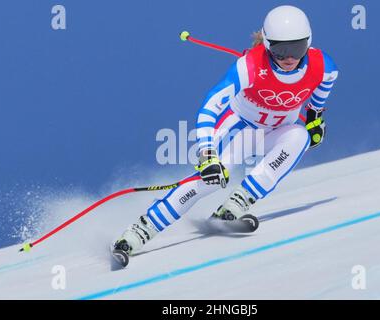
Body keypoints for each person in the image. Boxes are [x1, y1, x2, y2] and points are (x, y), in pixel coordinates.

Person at [113, 5, 339, 256]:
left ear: (308, 42)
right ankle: (139, 231)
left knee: (300, 137)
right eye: (279, 49)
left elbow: (322, 89)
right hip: (240, 130)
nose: (288, 57)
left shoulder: (323, 66)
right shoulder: (249, 66)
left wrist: (314, 117)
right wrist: (207, 153)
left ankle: (237, 203)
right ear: (266, 44)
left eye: (296, 48)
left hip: (278, 131)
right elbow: (209, 106)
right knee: (210, 180)